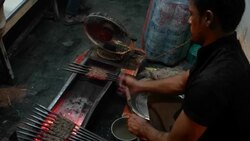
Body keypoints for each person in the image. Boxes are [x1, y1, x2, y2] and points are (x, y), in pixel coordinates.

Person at [119, 0, 250, 140]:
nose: (189, 20)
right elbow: (183, 81)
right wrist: (138, 86)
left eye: (191, 14)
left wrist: (144, 129)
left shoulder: (211, 82)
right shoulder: (226, 48)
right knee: (154, 98)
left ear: (207, 18)